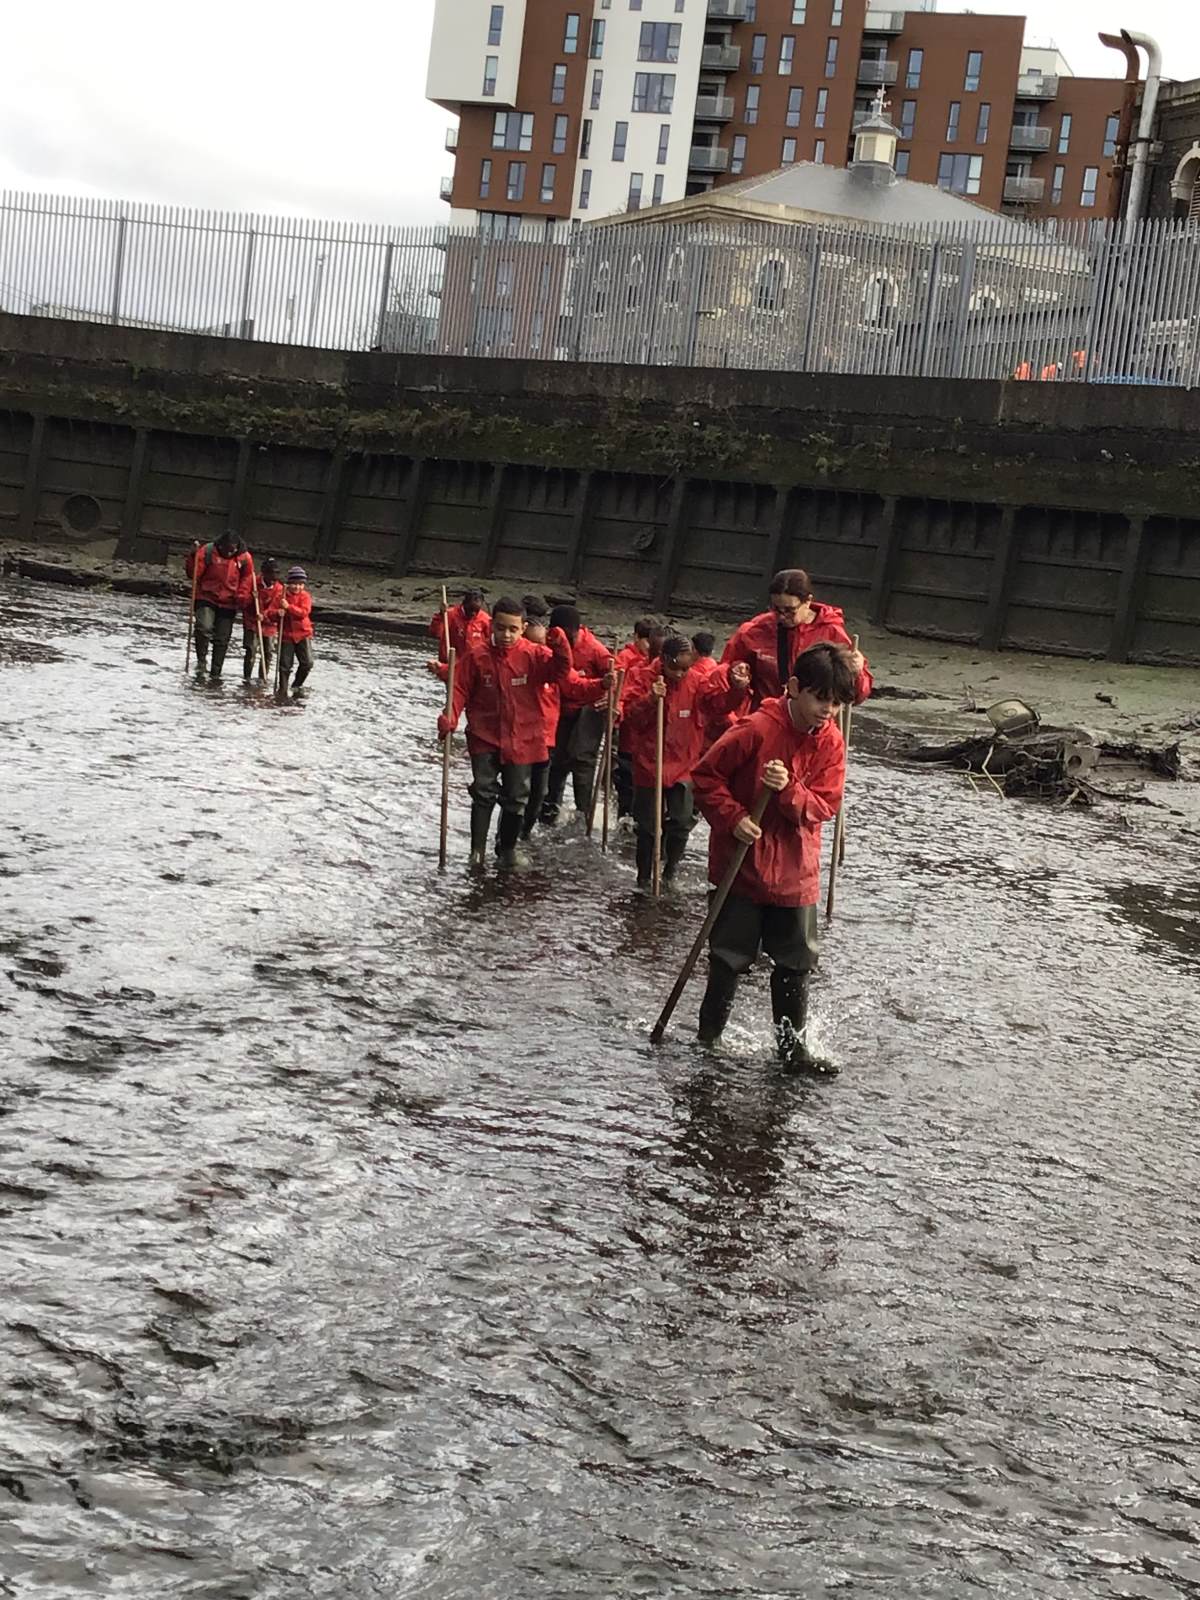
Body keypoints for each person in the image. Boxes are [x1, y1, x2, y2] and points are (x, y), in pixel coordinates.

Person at [691, 641, 858, 1075]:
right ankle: (709, 1039)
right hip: (743, 865)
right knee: (728, 957)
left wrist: (788, 791)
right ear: (795, 688)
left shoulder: (832, 742)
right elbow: (705, 776)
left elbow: (825, 805)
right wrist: (734, 819)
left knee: (795, 963)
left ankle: (791, 1051)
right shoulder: (756, 728)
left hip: (795, 872)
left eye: (836, 703)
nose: (828, 710)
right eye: (820, 699)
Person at [435, 597, 573, 869]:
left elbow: (560, 670)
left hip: (523, 738)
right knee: (483, 791)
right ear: (492, 626)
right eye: (500, 628)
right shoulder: (476, 656)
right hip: (484, 735)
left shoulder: (535, 655)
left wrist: (560, 645)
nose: (506, 635)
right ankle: (476, 852)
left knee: (517, 796)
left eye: (512, 629)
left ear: (523, 628)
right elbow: (459, 688)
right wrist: (450, 716)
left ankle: (507, 849)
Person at [622, 636, 751, 890]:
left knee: (681, 822)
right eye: (675, 668)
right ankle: (644, 877)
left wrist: (737, 689)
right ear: (664, 660)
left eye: (685, 668)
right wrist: (650, 699)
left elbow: (719, 705)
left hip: (684, 764)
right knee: (648, 828)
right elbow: (631, 717)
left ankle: (670, 871)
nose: (680, 674)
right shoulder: (643, 677)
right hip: (651, 763)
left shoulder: (698, 682)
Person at [721, 569, 873, 708]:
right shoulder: (756, 629)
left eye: (790, 610)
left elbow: (857, 695)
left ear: (808, 601)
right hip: (767, 716)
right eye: (776, 609)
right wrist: (737, 674)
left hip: (815, 721)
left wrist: (857, 672)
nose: (782, 616)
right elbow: (723, 677)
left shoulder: (831, 632)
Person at [540, 604, 614, 826]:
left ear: (577, 630)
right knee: (556, 761)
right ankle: (549, 812)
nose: (565, 642)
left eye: (569, 637)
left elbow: (617, 679)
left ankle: (584, 816)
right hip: (561, 708)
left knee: (582, 762)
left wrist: (613, 699)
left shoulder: (596, 650)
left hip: (588, 710)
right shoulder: (550, 644)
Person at [615, 623, 667, 821]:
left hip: (659, 749)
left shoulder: (677, 675)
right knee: (628, 789)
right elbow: (624, 698)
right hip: (631, 744)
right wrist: (617, 709)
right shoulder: (637, 671)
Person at [185, 531, 255, 680]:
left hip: (230, 602)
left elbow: (247, 578)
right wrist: (193, 557)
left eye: (232, 550)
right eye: (227, 549)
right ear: (221, 545)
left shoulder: (245, 558)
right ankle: (201, 660)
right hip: (206, 596)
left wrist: (242, 596)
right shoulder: (208, 551)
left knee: (222, 639)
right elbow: (193, 574)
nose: (229, 553)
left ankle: (216, 672)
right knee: (203, 627)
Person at [243, 557, 284, 682]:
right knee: (251, 650)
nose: (273, 578)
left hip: (270, 624)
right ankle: (247, 678)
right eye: (271, 574)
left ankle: (262, 678)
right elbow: (241, 600)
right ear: (264, 573)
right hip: (252, 622)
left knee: (268, 652)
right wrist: (251, 598)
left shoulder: (280, 589)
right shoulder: (253, 582)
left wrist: (264, 615)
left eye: (276, 574)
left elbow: (275, 607)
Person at [278, 567, 316, 693]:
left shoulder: (305, 597)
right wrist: (278, 613)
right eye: (294, 584)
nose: (297, 587)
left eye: (300, 584)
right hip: (286, 635)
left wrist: (288, 607)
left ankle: (296, 685)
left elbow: (304, 612)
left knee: (307, 663)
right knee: (285, 665)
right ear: (289, 583)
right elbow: (270, 613)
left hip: (303, 634)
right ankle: (282, 690)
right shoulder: (281, 596)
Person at [430, 588, 490, 664]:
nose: (473, 613)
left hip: (473, 664)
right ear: (464, 604)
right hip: (450, 663)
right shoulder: (450, 615)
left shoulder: (485, 620)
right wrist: (441, 615)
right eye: (471, 609)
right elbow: (435, 632)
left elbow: (491, 643)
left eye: (476, 610)